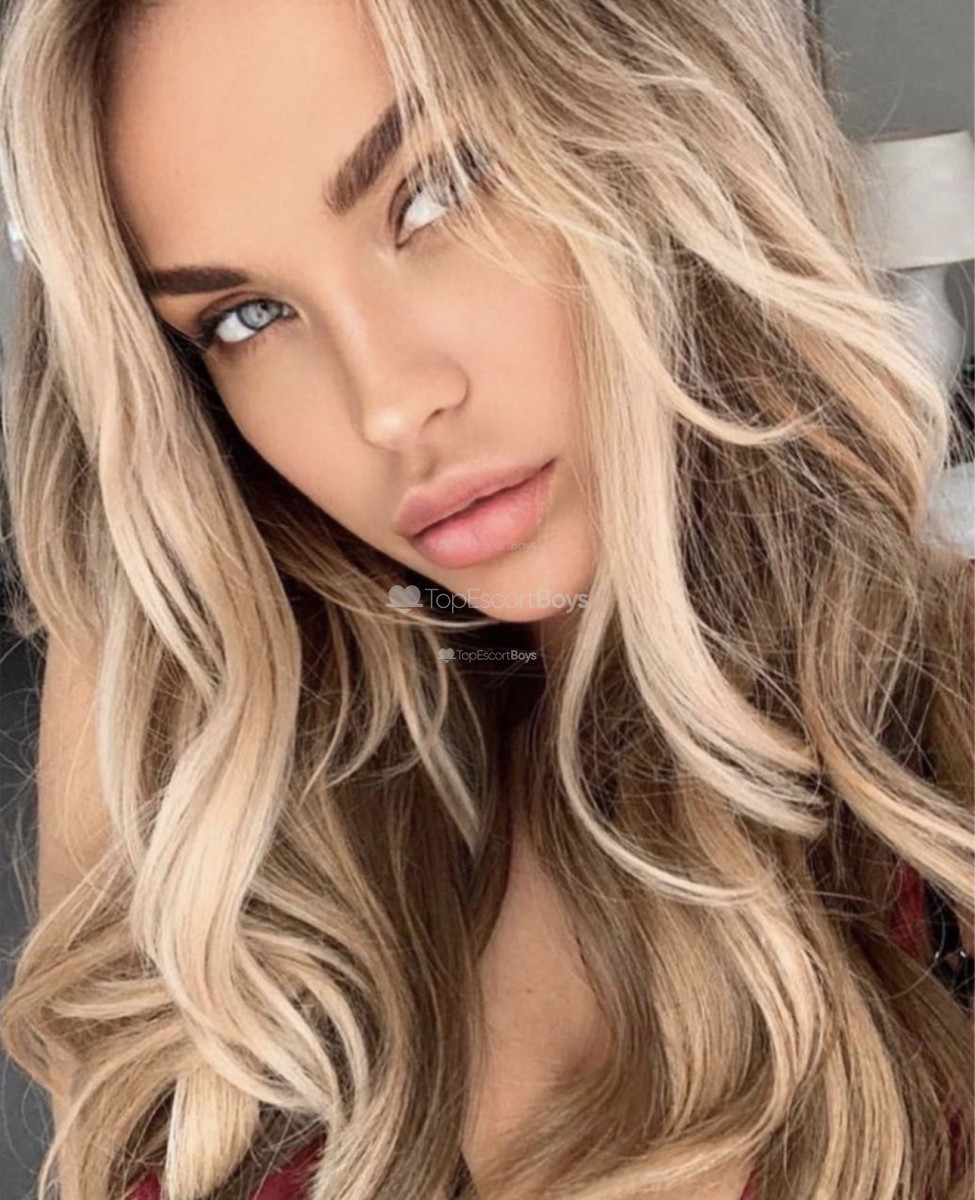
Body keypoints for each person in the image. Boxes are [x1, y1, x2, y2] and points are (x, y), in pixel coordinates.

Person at [0, 1, 971, 1198]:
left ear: (658, 111)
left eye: (439, 191)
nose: (386, 406)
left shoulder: (943, 771)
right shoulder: (226, 805)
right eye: (245, 318)